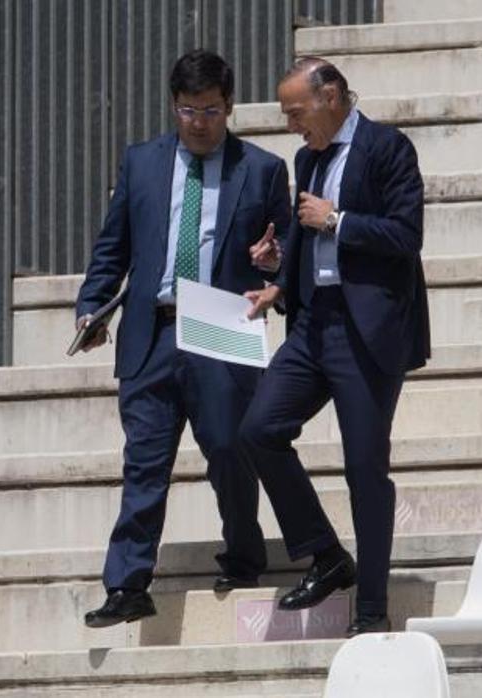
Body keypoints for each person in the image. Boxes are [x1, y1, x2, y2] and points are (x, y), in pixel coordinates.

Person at [74, 49, 291, 628]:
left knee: (228, 448)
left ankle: (244, 553)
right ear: (174, 106)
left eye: (212, 111)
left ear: (231, 107)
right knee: (144, 461)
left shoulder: (263, 169)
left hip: (221, 323)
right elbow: (112, 246)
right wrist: (91, 306)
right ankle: (126, 583)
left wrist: (274, 263)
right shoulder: (141, 162)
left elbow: (284, 257)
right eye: (189, 110)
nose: (200, 122)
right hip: (153, 333)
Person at [241, 57, 430, 637]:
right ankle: (326, 554)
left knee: (364, 470)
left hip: (365, 332)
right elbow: (308, 230)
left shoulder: (387, 147)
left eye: (296, 111)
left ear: (330, 97)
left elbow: (405, 235)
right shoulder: (308, 157)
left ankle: (371, 609)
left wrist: (339, 220)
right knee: (258, 429)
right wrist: (279, 273)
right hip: (312, 324)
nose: (292, 124)